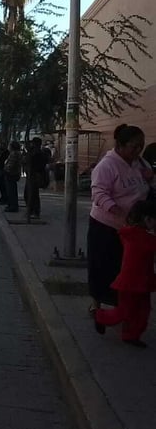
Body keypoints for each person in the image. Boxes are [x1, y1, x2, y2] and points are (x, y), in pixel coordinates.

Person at [88, 124, 151, 312]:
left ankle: (121, 304)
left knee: (126, 268)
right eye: (134, 146)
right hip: (106, 225)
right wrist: (117, 211)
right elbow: (99, 194)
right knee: (102, 265)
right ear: (121, 146)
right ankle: (96, 303)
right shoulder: (107, 165)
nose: (138, 150)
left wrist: (151, 177)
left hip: (133, 229)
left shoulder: (140, 164)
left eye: (141, 145)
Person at [93, 200, 156, 348]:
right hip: (131, 282)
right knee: (125, 312)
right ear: (147, 219)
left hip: (142, 280)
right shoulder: (139, 236)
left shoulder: (133, 233)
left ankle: (131, 335)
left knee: (142, 311)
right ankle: (100, 316)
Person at [24, 137, 49, 219]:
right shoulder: (33, 152)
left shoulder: (38, 153)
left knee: (33, 194)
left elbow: (38, 164)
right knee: (29, 194)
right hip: (31, 175)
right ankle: (31, 211)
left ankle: (34, 211)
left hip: (35, 175)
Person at [3, 141, 22, 212]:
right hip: (13, 173)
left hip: (11, 174)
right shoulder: (16, 153)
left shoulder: (14, 153)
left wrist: (5, 169)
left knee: (11, 190)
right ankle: (12, 205)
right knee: (11, 190)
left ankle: (13, 206)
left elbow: (11, 164)